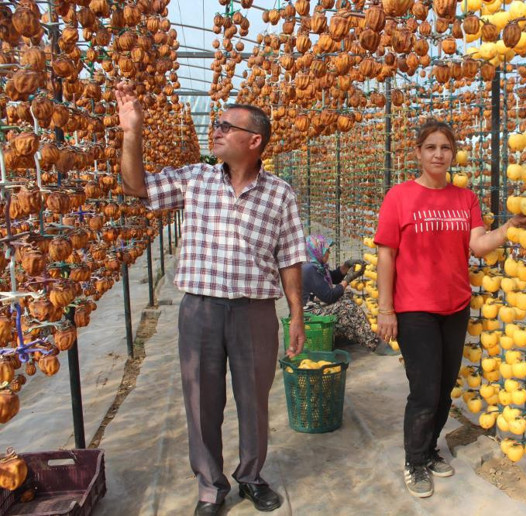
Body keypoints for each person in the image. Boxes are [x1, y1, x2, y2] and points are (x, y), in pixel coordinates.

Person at [115, 82, 307, 515]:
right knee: (201, 401)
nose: (215, 131)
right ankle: (210, 486)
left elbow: (291, 258)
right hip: (200, 309)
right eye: (215, 123)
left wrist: (295, 316)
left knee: (254, 401)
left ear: (254, 141)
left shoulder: (280, 193)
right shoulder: (195, 178)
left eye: (226, 126)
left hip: (255, 312)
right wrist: (132, 133)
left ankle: (251, 477)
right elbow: (136, 186)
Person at [374, 119, 526, 499]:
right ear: (418, 153)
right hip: (414, 309)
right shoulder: (400, 197)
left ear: (453, 154)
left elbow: (478, 245)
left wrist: (509, 226)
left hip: (455, 305)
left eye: (445, 147)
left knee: (444, 389)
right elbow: (386, 255)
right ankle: (414, 459)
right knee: (424, 390)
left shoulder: (465, 199)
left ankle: (428, 451)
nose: (439, 154)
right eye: (431, 147)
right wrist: (385, 309)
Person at [302, 234, 390, 353]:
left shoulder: (316, 266)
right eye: (326, 250)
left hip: (316, 307)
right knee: (348, 308)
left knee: (346, 295)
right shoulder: (309, 269)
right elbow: (329, 296)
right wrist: (347, 280)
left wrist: (346, 266)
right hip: (308, 315)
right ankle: (374, 343)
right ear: (318, 251)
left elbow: (333, 277)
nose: (329, 252)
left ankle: (349, 335)